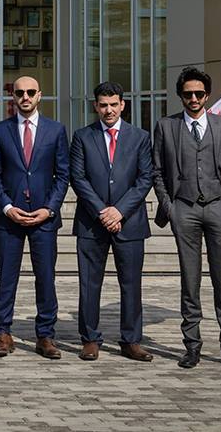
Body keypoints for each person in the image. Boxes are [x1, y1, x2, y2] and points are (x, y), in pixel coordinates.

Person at [153, 67, 221, 370]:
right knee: (190, 279)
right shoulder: (166, 126)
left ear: (207, 95)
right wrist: (170, 208)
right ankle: (192, 346)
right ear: (181, 96)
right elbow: (157, 172)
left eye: (199, 93)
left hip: (219, 208)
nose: (194, 99)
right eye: (188, 94)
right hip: (184, 209)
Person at [0, 76, 69, 359]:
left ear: (39, 95)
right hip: (10, 218)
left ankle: (45, 335)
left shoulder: (56, 130)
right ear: (13, 96)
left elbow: (63, 175)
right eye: (20, 92)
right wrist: (7, 206)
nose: (25, 97)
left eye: (31, 92)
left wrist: (50, 208)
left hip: (44, 218)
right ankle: (2, 333)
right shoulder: (0, 131)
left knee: (45, 278)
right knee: (6, 278)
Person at [69, 81, 154, 362]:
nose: (109, 110)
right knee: (89, 283)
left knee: (131, 284)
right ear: (95, 106)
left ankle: (131, 340)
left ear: (122, 105)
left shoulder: (140, 137)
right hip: (91, 223)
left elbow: (145, 178)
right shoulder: (82, 137)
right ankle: (90, 339)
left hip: (129, 222)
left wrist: (119, 211)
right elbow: (78, 178)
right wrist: (102, 212)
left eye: (113, 104)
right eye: (103, 105)